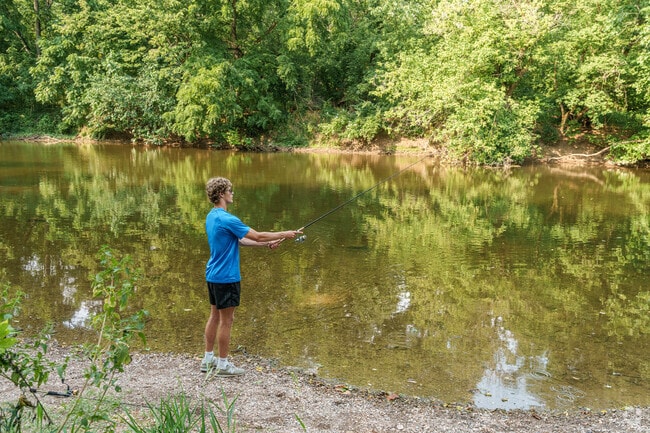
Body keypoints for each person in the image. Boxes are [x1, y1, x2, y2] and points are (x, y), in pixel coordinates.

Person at [201, 177, 301, 375]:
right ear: (221, 194)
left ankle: (207, 360)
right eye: (230, 190)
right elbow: (257, 235)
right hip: (227, 277)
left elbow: (241, 241)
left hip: (212, 275)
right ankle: (223, 364)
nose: (232, 193)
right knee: (227, 321)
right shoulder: (228, 219)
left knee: (214, 316)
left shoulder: (212, 217)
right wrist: (286, 233)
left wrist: (266, 245)